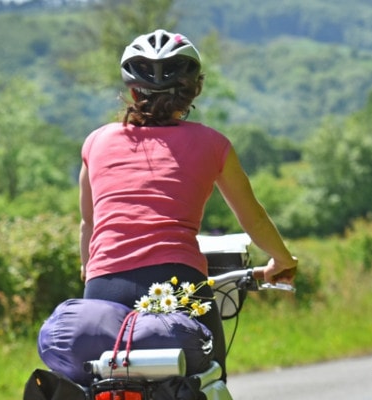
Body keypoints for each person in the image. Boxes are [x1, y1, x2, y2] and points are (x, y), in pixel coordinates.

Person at [78, 29, 298, 379]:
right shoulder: (212, 144)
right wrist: (282, 260)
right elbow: (253, 220)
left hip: (104, 288)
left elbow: (89, 226)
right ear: (194, 89)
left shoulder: (96, 142)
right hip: (178, 284)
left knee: (98, 380)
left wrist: (90, 272)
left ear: (133, 91)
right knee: (207, 381)